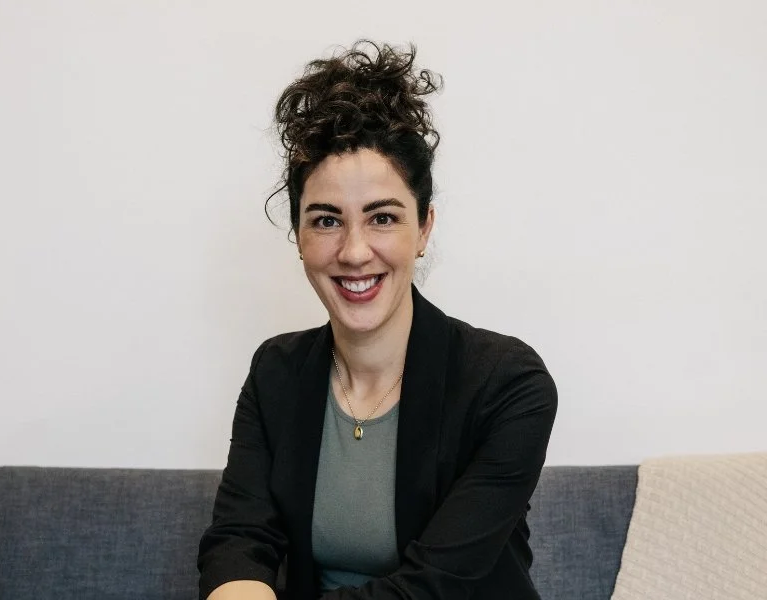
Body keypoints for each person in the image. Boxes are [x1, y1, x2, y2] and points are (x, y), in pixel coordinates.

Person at [197, 39, 558, 600]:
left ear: (424, 228)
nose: (354, 250)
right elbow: (240, 540)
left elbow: (434, 587)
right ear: (298, 236)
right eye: (325, 221)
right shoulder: (277, 372)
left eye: (382, 217)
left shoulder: (507, 384)